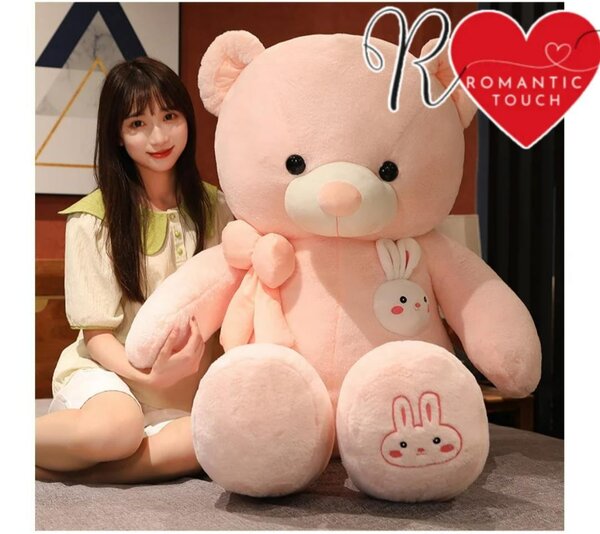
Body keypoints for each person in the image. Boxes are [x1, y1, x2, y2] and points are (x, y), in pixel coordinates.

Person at [35, 57, 233, 483]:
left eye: (169, 117)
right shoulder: (94, 219)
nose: (158, 136)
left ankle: (86, 474)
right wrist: (150, 376)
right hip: (111, 377)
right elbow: (97, 336)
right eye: (138, 124)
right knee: (116, 430)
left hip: (186, 391)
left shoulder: (217, 206)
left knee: (212, 438)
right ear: (118, 136)